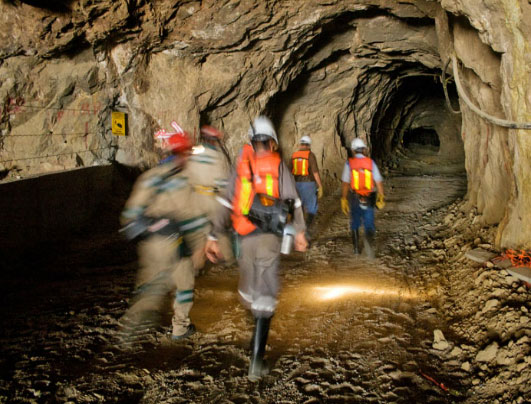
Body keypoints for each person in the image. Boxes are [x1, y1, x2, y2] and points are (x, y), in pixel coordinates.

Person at [205, 116, 308, 380]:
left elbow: (226, 202)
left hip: (244, 237)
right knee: (265, 294)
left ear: (252, 141)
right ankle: (256, 362)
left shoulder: (241, 165)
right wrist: (300, 232)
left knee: (250, 287)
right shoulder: (277, 165)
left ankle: (251, 304)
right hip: (269, 238)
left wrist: (214, 235)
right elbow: (293, 201)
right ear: (272, 142)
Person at [119, 122, 209, 341]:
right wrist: (200, 246)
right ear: (182, 153)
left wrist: (151, 228)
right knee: (185, 283)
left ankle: (134, 321)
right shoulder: (184, 180)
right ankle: (180, 328)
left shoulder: (149, 177)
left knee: (149, 284)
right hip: (177, 242)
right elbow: (194, 215)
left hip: (152, 243)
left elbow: (129, 216)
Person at [183, 125, 234, 270]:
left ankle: (196, 266)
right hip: (212, 197)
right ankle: (227, 260)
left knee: (199, 232)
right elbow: (223, 181)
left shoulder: (194, 152)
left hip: (195, 198)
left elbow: (187, 175)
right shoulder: (218, 155)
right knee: (218, 227)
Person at [340, 138, 385, 258]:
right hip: (369, 196)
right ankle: (368, 241)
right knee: (369, 221)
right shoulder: (371, 163)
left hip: (354, 196)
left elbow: (345, 183)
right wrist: (381, 196)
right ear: (364, 150)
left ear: (353, 150)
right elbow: (378, 182)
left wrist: (344, 198)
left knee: (354, 221)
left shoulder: (349, 163)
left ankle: (355, 249)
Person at [289, 136, 323, 238]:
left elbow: (289, 172)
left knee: (299, 207)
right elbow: (315, 172)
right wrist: (320, 185)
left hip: (296, 184)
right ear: (309, 145)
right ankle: (306, 229)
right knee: (312, 208)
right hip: (309, 185)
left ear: (300, 144)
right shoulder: (310, 155)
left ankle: (298, 230)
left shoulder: (294, 155)